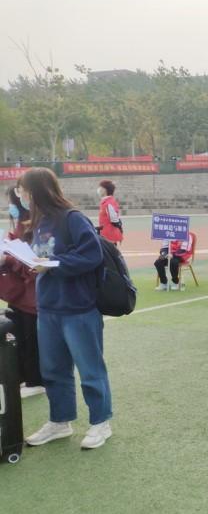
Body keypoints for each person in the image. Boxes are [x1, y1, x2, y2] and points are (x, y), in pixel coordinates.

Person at [17, 168, 113, 450]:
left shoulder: (72, 218)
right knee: (53, 370)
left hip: (78, 308)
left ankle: (101, 422)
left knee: (90, 369)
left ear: (37, 191)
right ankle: (60, 421)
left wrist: (53, 264)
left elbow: (92, 255)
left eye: (23, 190)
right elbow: (42, 257)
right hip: (48, 308)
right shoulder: (38, 222)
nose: (21, 196)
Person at [0, 198, 44, 399]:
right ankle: (23, 377)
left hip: (31, 296)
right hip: (18, 295)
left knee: (30, 339)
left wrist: (8, 258)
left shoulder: (37, 225)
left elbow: (32, 264)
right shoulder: (19, 225)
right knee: (17, 338)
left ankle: (36, 380)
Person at [96, 180, 123, 245]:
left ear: (105, 190)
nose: (99, 189)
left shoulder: (108, 203)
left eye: (101, 187)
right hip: (105, 235)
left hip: (108, 236)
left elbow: (114, 219)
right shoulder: (106, 202)